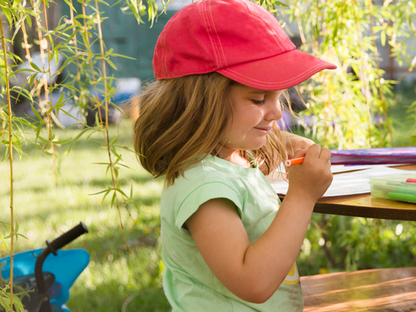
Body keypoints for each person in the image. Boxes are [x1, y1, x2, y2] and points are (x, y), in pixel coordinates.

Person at [132, 0, 336, 310]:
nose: (276, 113)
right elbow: (252, 282)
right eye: (258, 99)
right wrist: (302, 196)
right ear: (200, 104)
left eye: (279, 97)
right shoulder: (204, 188)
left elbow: (244, 180)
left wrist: (282, 143)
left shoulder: (229, 159)